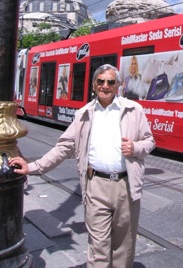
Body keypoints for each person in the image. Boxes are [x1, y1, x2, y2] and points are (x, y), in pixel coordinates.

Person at [10, 64, 155, 268]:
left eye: (111, 82)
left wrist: (136, 147)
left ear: (118, 86)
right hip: (95, 185)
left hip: (126, 186)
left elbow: (150, 141)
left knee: (124, 246)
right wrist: (32, 167)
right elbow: (62, 148)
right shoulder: (83, 115)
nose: (105, 86)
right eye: (101, 81)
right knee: (98, 248)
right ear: (94, 85)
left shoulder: (134, 110)